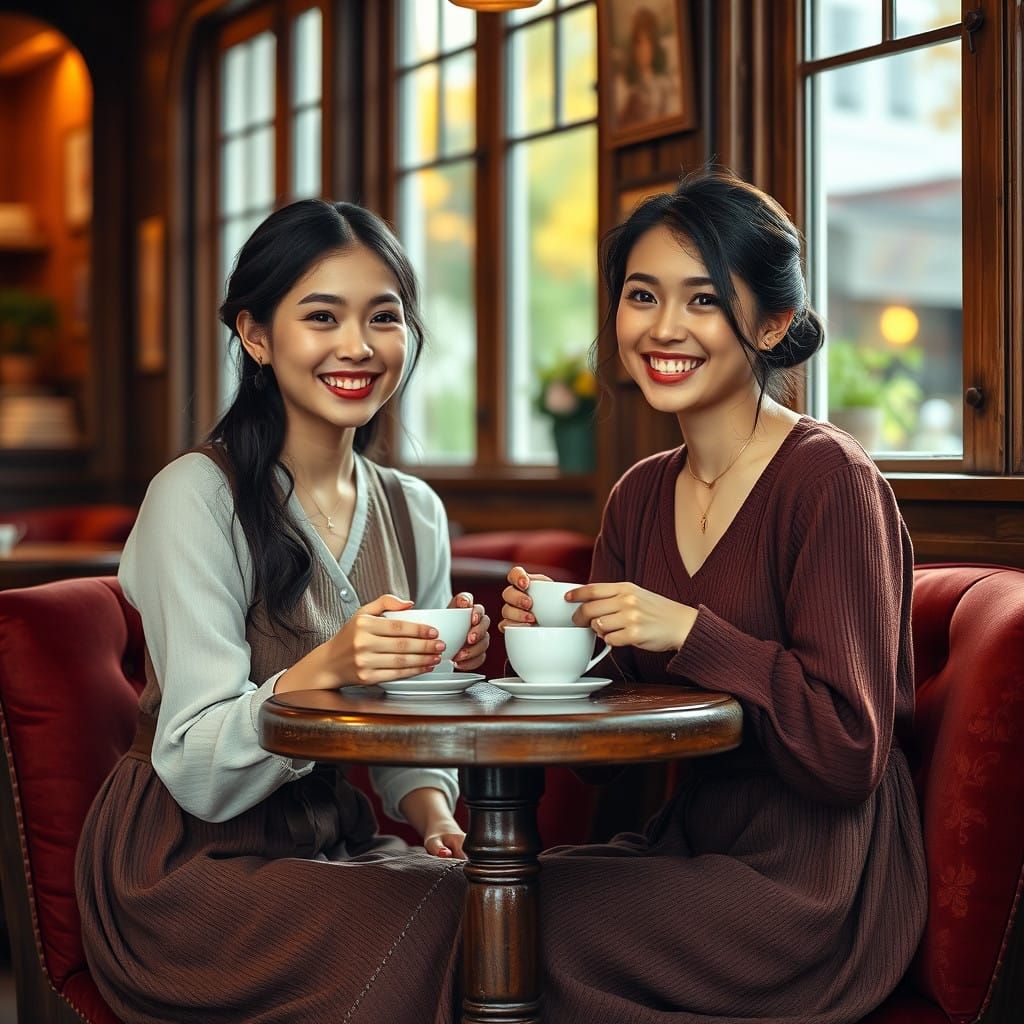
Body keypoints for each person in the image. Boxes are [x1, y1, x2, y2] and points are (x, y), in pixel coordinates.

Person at [500, 169, 927, 1023]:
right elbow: (611, 743)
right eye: (641, 295)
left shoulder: (831, 482)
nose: (663, 328)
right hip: (688, 847)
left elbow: (849, 753)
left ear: (772, 323)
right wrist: (558, 641)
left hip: (812, 886)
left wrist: (693, 631)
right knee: (480, 906)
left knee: (508, 929)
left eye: (702, 301)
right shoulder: (638, 494)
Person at [75, 199, 490, 1023]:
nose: (357, 347)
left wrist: (434, 813)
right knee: (449, 927)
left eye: (385, 317)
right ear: (256, 336)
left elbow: (405, 730)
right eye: (321, 316)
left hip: (332, 846)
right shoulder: (196, 497)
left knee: (503, 911)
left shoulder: (415, 512)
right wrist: (328, 668)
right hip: (185, 871)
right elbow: (194, 765)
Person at [616, 6, 681, 129]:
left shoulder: (665, 83)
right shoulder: (624, 84)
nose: (643, 50)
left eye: (648, 42)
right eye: (639, 43)